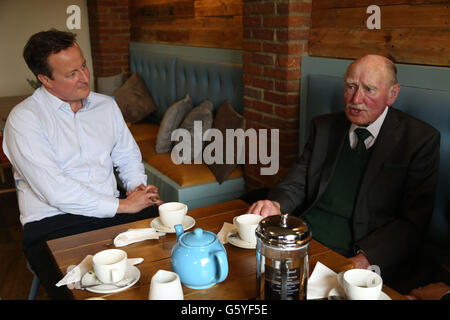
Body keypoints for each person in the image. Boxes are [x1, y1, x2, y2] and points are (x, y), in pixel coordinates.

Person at [247, 54, 440, 290]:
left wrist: (366, 258)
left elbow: (413, 222)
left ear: (392, 94)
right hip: (306, 241)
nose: (356, 99)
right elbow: (295, 183)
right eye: (351, 87)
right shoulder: (324, 127)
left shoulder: (419, 140)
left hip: (358, 253)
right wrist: (275, 204)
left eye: (369, 89)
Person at [2, 29, 162, 299]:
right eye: (71, 74)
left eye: (84, 66)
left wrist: (138, 187)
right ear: (45, 79)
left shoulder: (105, 106)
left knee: (164, 266)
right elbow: (55, 190)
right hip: (53, 223)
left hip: (115, 209)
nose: (85, 78)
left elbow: (126, 154)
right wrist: (125, 205)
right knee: (85, 294)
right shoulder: (24, 119)